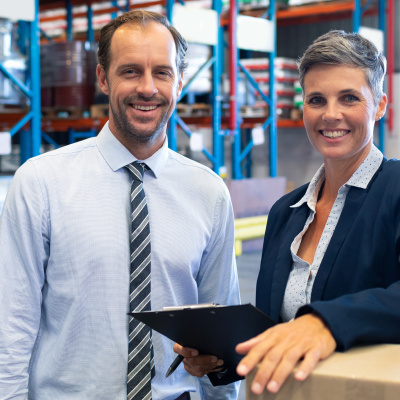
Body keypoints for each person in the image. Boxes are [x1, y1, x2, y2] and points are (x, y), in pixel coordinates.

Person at [0, 10, 240, 400]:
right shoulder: (41, 182)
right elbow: (10, 324)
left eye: (161, 72)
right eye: (130, 71)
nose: (147, 88)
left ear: (179, 81)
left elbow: (219, 326)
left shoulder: (209, 193)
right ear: (102, 78)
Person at [233, 30, 400, 395]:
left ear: (382, 105)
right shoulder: (286, 212)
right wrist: (225, 356)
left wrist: (327, 323)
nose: (331, 114)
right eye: (317, 100)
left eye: (349, 98)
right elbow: (277, 329)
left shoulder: (396, 190)